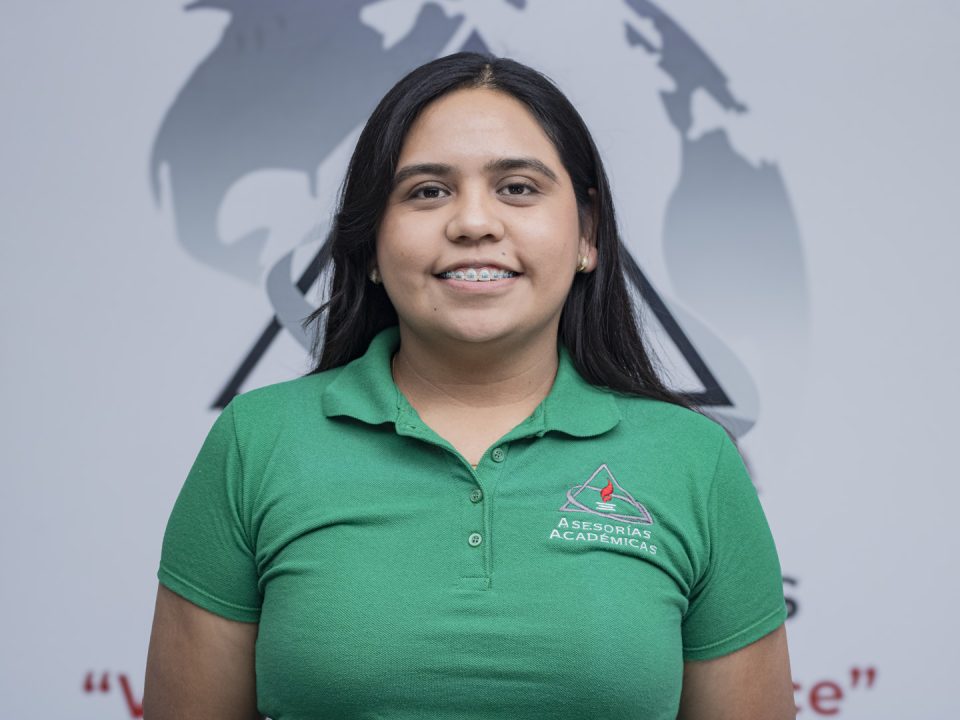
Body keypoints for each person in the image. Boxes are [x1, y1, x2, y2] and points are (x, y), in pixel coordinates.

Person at [143, 53, 795, 719]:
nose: (474, 223)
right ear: (371, 245)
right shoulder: (256, 443)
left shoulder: (694, 461)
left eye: (518, 187)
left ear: (588, 233)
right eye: (428, 192)